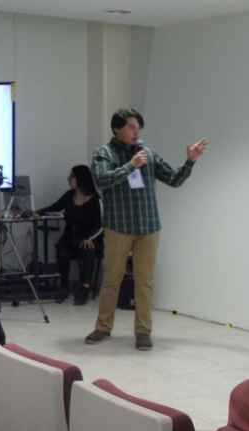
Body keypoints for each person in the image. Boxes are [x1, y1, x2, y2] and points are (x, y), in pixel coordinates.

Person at [85, 108, 209, 351]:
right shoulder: (104, 153)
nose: (137, 131)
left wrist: (190, 161)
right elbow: (101, 180)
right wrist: (130, 166)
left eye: (138, 127)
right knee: (111, 280)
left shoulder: (147, 154)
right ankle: (103, 327)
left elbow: (174, 179)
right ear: (117, 129)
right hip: (118, 227)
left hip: (148, 227)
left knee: (145, 282)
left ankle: (143, 332)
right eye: (131, 126)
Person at [36, 165, 103, 306]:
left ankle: (85, 287)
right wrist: (36, 212)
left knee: (87, 248)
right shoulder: (69, 195)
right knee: (62, 248)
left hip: (90, 238)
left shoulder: (96, 200)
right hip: (71, 236)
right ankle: (64, 286)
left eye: (71, 176)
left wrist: (90, 238)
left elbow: (101, 225)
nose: (68, 179)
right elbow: (53, 207)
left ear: (80, 179)